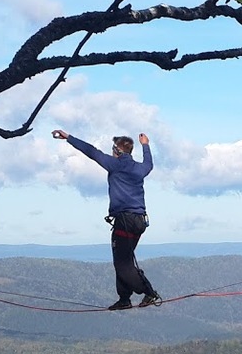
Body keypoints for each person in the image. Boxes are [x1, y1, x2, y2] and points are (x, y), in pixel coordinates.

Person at [53, 128, 161, 310]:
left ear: (117, 151)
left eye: (113, 149)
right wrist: (146, 145)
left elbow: (92, 152)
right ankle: (125, 299)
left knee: (122, 263)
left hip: (124, 221)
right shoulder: (139, 169)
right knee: (124, 259)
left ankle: (149, 293)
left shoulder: (115, 164)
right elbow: (149, 163)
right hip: (139, 222)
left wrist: (68, 138)